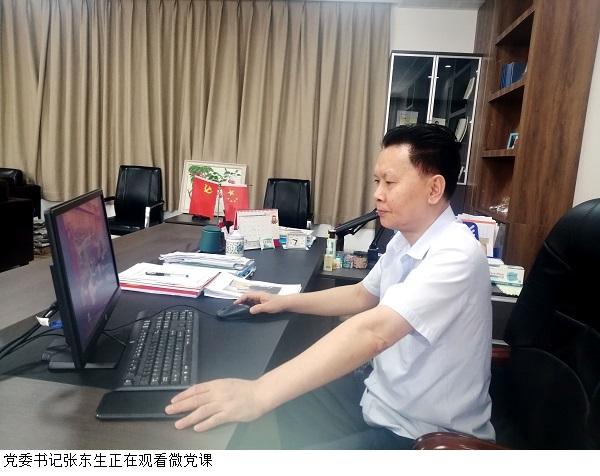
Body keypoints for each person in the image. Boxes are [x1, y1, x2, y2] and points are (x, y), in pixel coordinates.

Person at [165, 122, 495, 449]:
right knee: (291, 400)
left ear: (434, 189)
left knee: (274, 401)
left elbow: (374, 333)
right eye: (377, 181)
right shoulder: (404, 239)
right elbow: (362, 295)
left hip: (423, 433)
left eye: (390, 182)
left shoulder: (457, 254)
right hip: (381, 398)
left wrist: (257, 393)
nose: (378, 194)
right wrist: (285, 300)